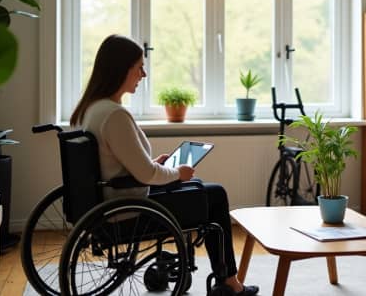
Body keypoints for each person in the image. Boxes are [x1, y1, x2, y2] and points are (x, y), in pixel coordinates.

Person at [70, 34, 259, 296]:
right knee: (214, 195)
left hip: (112, 200)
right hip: (128, 211)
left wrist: (157, 166)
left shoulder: (92, 109)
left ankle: (227, 279)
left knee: (203, 188)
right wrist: (177, 173)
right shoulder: (115, 115)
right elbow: (147, 174)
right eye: (139, 67)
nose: (143, 74)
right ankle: (228, 283)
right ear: (122, 69)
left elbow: (121, 164)